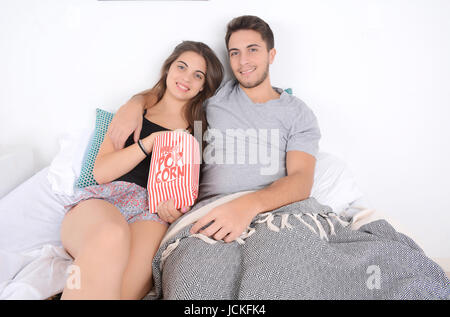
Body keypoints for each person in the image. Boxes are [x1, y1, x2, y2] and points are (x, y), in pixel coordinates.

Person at [108, 15, 321, 246]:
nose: (243, 61)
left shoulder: (298, 112)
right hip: (210, 213)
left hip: (272, 211)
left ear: (271, 54)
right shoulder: (213, 98)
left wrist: (248, 205)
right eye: (234, 52)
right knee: (194, 279)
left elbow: (301, 180)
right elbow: (173, 95)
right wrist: (135, 103)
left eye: (252, 50)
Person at [60, 41, 224, 300]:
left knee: (122, 292)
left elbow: (191, 187)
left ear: (203, 85)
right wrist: (148, 143)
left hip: (151, 212)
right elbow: (102, 173)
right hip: (106, 199)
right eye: (181, 67)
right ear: (168, 68)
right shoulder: (134, 112)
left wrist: (174, 207)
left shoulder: (200, 130)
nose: (186, 78)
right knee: (111, 235)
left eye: (198, 75)